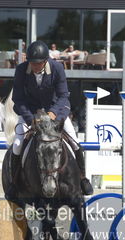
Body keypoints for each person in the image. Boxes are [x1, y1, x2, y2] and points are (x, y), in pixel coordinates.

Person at [9, 40, 93, 198]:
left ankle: (82, 178)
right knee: (18, 144)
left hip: (56, 110)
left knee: (74, 141)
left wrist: (52, 114)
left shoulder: (57, 68)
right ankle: (14, 183)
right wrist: (31, 119)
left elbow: (63, 95)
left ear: (45, 61)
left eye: (38, 63)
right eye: (32, 63)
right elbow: (18, 98)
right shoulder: (21, 70)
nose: (35, 66)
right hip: (30, 112)